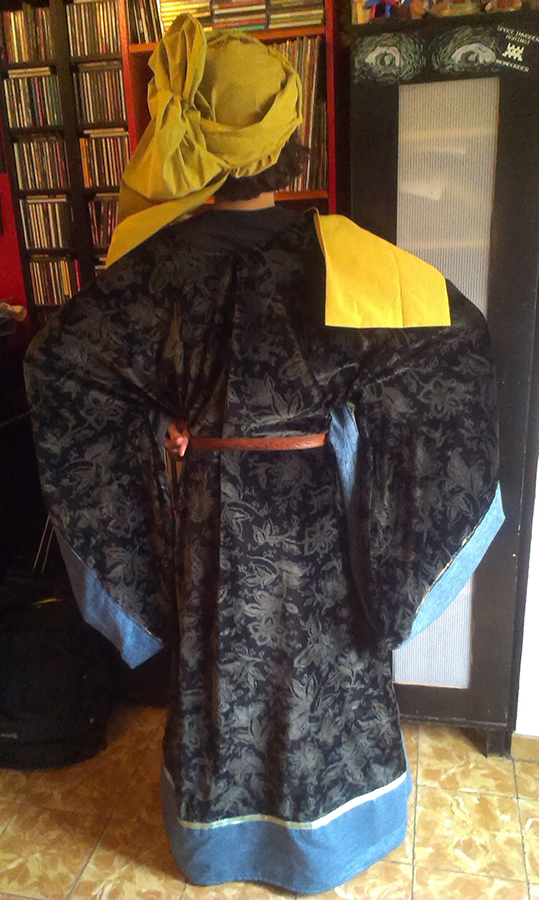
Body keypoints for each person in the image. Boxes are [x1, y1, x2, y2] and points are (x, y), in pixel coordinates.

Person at [24, 14, 504, 895]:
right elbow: (451, 348)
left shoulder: (152, 268)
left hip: (213, 507)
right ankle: (329, 839)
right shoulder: (346, 258)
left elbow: (63, 363)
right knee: (329, 661)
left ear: (194, 141)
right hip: (322, 507)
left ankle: (219, 845)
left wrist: (162, 427)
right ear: (287, 138)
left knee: (222, 661)